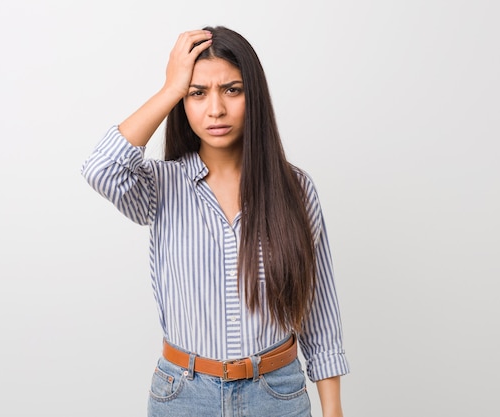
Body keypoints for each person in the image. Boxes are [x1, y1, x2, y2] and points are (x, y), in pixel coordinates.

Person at [81, 26, 349, 417]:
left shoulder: (295, 189)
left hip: (277, 395)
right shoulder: (161, 186)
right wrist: (171, 87)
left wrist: (334, 410)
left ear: (252, 96)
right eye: (198, 93)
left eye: (232, 90)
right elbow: (100, 168)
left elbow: (319, 307)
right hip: (183, 396)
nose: (216, 109)